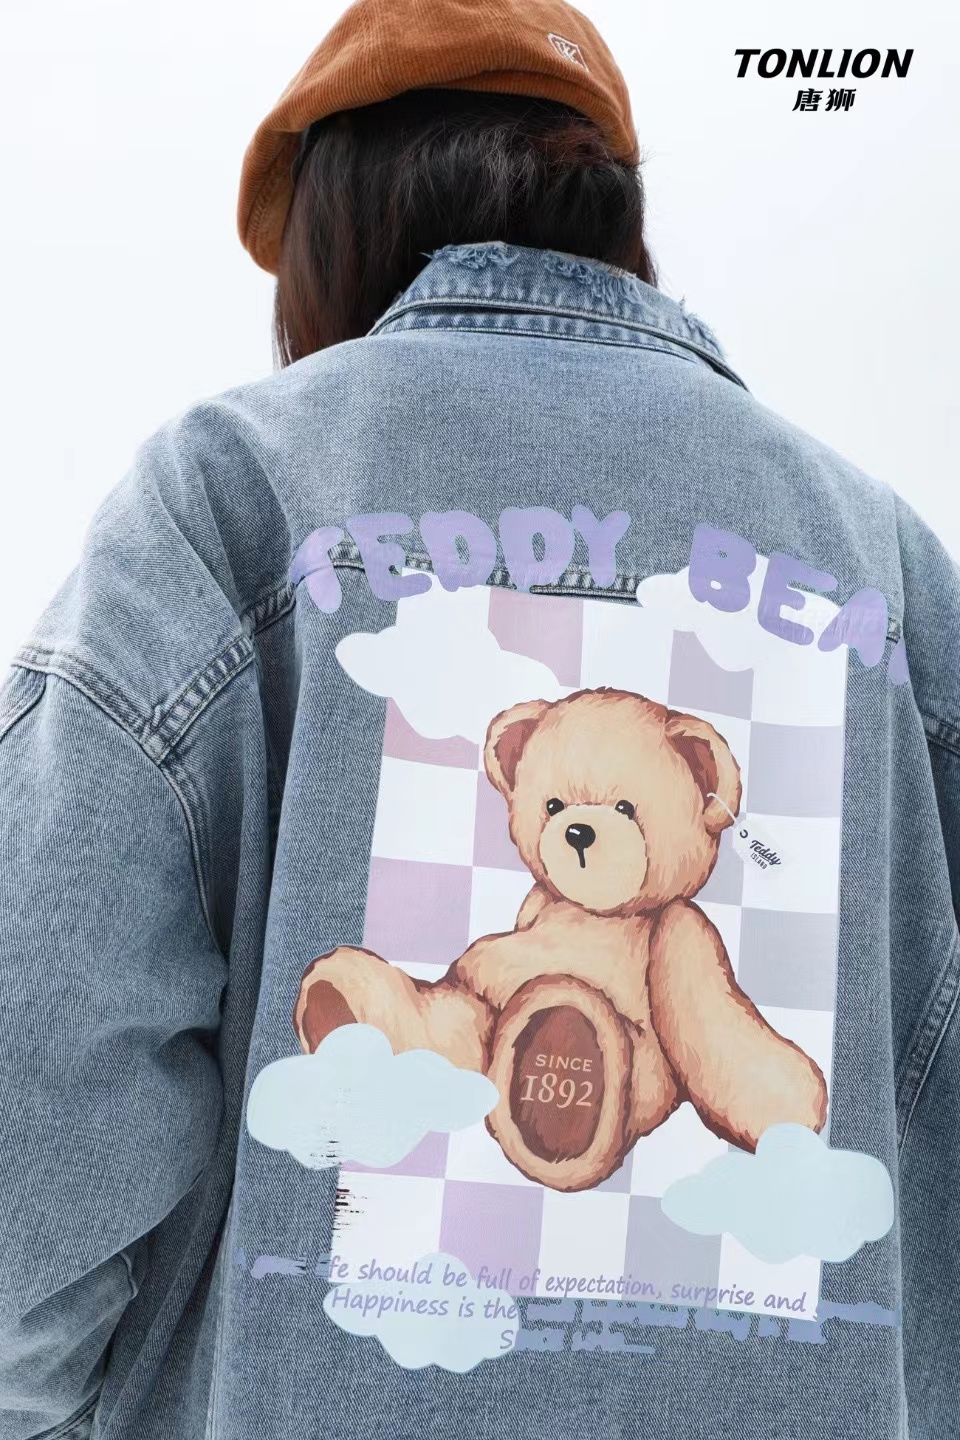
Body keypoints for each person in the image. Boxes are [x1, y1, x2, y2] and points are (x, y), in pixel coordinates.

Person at [0, 0, 956, 1436]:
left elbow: (38, 1078)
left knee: (663, 1037)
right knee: (457, 1005)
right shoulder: (884, 561)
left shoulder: (230, 496)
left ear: (333, 229)